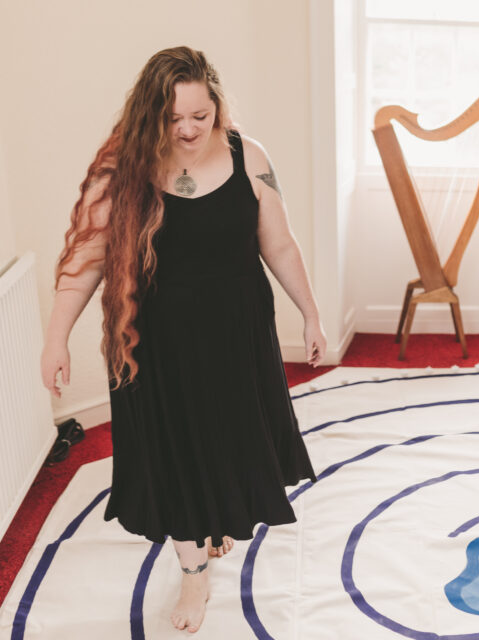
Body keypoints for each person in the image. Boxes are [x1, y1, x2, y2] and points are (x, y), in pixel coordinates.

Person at [39, 46, 327, 634]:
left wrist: (311, 315)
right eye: (173, 118)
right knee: (175, 455)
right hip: (157, 349)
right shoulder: (121, 170)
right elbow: (85, 262)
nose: (189, 129)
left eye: (200, 114)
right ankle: (193, 571)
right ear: (150, 115)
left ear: (217, 104)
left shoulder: (249, 156)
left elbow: (278, 243)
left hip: (237, 340)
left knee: (225, 443)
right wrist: (56, 338)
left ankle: (213, 522)